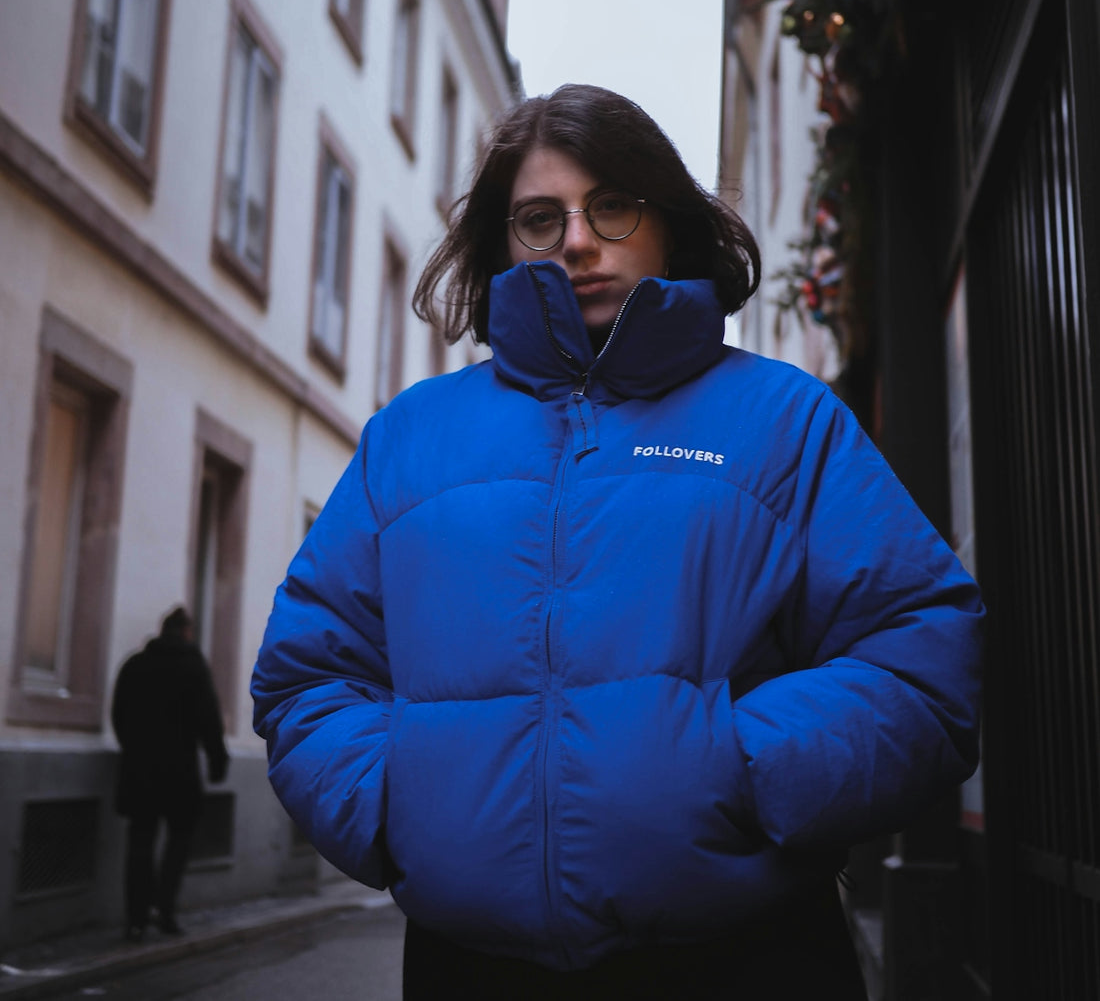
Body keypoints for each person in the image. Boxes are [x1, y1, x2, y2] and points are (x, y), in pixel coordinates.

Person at [252, 85, 983, 999]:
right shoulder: (409, 438)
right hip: (470, 969)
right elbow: (307, 676)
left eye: (612, 204)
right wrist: (398, 800)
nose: (577, 240)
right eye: (538, 216)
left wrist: (739, 769)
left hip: (749, 961)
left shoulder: (783, 420)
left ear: (667, 221)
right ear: (500, 241)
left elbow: (922, 658)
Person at [112, 606, 229, 941]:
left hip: (140, 770)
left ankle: (135, 918)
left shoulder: (135, 665)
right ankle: (165, 912)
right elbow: (209, 720)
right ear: (187, 631)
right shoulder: (193, 667)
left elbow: (119, 713)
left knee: (140, 842)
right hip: (180, 772)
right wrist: (217, 761)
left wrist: (133, 747)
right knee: (178, 844)